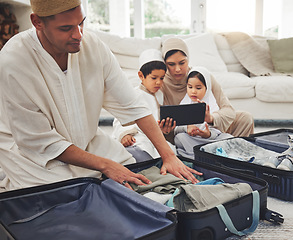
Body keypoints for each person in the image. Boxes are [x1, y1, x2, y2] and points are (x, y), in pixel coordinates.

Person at [0, 0, 200, 191]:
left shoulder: (92, 46)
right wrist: (105, 166)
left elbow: (133, 105)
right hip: (32, 154)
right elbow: (39, 142)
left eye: (81, 23)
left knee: (133, 172)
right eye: (66, 28)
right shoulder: (14, 61)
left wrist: (168, 155)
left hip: (86, 142)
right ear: (37, 22)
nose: (78, 34)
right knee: (67, 192)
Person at [160, 37, 254, 142]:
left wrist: (211, 119)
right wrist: (168, 129)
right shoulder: (160, 82)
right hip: (181, 134)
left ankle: (232, 153)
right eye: (171, 64)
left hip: (209, 129)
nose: (177, 69)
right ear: (165, 63)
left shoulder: (201, 76)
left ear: (188, 59)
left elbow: (228, 110)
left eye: (182, 63)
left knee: (245, 118)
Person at [112, 49, 176, 162]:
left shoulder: (161, 95)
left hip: (157, 138)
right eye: (154, 78)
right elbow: (119, 120)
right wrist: (125, 135)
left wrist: (165, 130)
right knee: (139, 151)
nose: (158, 82)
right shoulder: (134, 94)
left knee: (170, 152)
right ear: (141, 76)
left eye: (162, 78)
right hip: (138, 136)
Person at [174, 66, 233, 158]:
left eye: (198, 88)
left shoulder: (212, 105)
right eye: (190, 87)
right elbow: (177, 129)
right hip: (190, 139)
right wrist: (187, 127)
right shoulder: (184, 104)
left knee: (228, 138)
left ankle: (202, 154)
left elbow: (217, 131)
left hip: (210, 140)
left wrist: (208, 134)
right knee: (179, 138)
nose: (193, 91)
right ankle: (204, 154)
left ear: (207, 88)